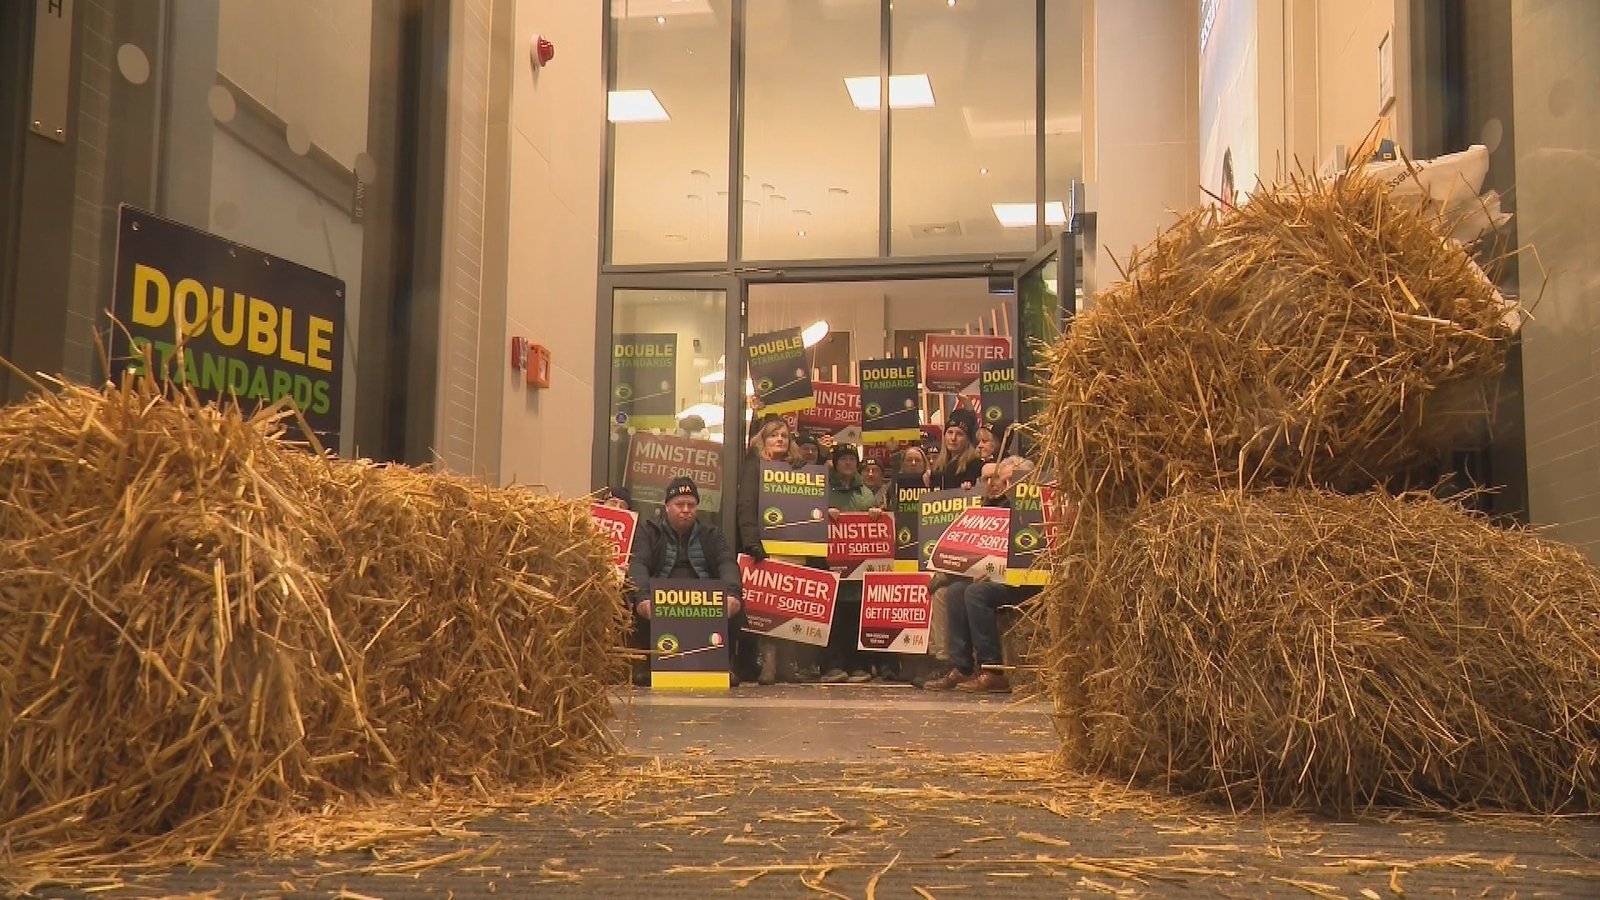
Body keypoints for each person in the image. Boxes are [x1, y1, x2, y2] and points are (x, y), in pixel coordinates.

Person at [924, 456, 1039, 694]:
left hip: (1028, 582)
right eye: (1004, 481)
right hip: (1000, 579)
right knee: (956, 591)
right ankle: (962, 667)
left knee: (976, 593)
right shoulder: (996, 507)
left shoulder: (1038, 509)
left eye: (1012, 480)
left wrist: (995, 572)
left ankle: (993, 669)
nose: (1007, 486)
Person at [627, 477, 744, 687]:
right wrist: (642, 597)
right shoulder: (648, 531)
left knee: (738, 604)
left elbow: (727, 563)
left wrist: (732, 594)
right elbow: (638, 564)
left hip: (703, 601)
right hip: (662, 599)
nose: (686, 510)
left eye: (691, 505)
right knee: (631, 600)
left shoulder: (712, 534)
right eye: (679, 504)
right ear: (667, 506)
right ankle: (650, 665)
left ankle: (722, 666)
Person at [736, 413, 817, 685]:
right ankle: (768, 664)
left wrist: (801, 470)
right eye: (774, 435)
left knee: (791, 605)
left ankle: (786, 664)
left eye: (784, 435)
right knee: (769, 607)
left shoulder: (798, 467)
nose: (780, 439)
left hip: (795, 546)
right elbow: (746, 504)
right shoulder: (754, 466)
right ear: (763, 440)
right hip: (767, 546)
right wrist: (751, 541)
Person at [821, 443, 882, 684]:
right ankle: (833, 666)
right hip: (831, 566)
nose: (848, 463)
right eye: (843, 459)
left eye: (852, 459)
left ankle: (857, 665)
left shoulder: (865, 493)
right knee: (833, 616)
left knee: (855, 615)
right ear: (835, 463)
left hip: (858, 570)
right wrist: (825, 512)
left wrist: (875, 514)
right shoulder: (824, 489)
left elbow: (875, 526)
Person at [926, 406, 986, 490]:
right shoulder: (939, 465)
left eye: (959, 434)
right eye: (950, 432)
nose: (953, 438)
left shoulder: (975, 465)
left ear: (968, 440)